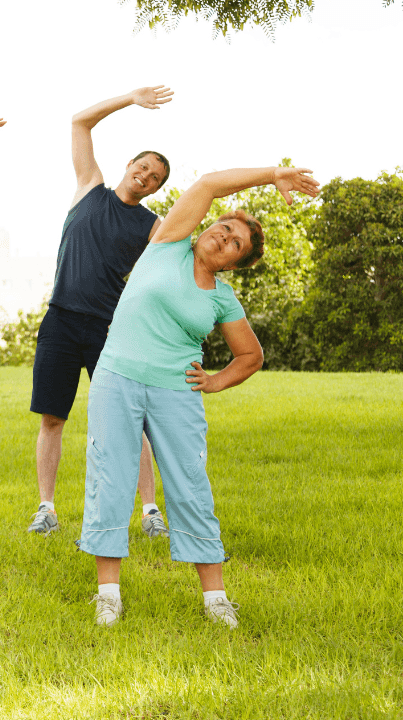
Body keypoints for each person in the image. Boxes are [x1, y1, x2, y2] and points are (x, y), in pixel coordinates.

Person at [79, 165, 319, 628]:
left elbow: (250, 355)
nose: (224, 239)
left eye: (235, 244)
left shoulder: (222, 299)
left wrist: (214, 380)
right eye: (224, 228)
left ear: (234, 264)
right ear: (207, 227)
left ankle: (215, 600)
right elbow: (208, 185)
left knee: (191, 485)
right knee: (110, 477)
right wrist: (273, 174)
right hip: (117, 378)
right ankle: (108, 594)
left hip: (176, 391)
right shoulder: (166, 246)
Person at [28, 86, 176, 538]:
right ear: (129, 165)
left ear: (155, 189)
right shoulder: (90, 187)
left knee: (132, 420)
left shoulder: (152, 225)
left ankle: (151, 513)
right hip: (61, 320)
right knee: (53, 418)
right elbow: (79, 121)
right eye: (143, 167)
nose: (146, 177)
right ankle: (46, 510)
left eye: (155, 177)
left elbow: (173, 263)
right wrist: (131, 98)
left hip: (111, 329)